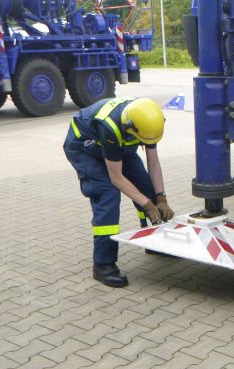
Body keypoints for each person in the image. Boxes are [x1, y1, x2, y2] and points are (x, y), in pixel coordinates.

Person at [63, 97, 175, 287]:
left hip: (117, 146)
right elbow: (117, 178)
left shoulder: (147, 120)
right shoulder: (110, 127)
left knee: (144, 187)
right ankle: (103, 263)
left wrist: (160, 197)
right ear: (131, 128)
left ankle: (152, 239)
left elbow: (153, 163)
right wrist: (147, 204)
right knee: (107, 194)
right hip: (85, 147)